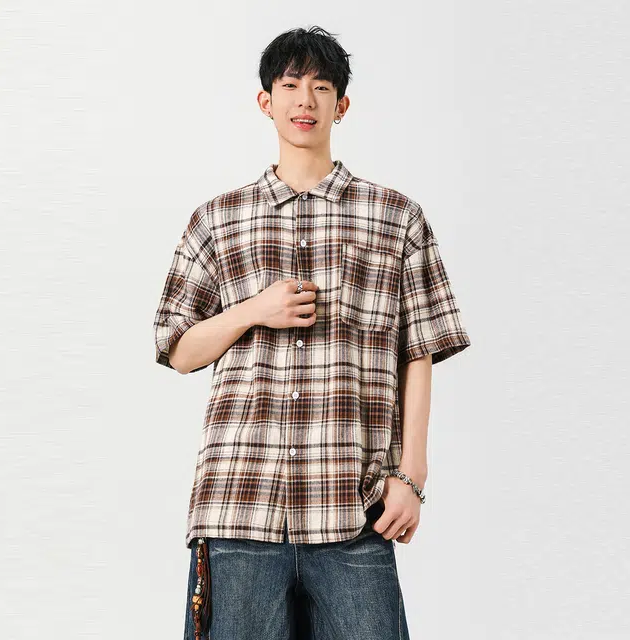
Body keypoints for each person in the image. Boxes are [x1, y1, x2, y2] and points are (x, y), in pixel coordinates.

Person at [152, 25, 471, 640]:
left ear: (341, 105)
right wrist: (252, 310)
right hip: (239, 505)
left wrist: (412, 477)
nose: (306, 100)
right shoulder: (217, 220)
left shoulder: (395, 217)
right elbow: (178, 349)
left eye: (322, 87)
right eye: (290, 85)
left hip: (353, 506)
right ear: (265, 100)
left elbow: (420, 349)